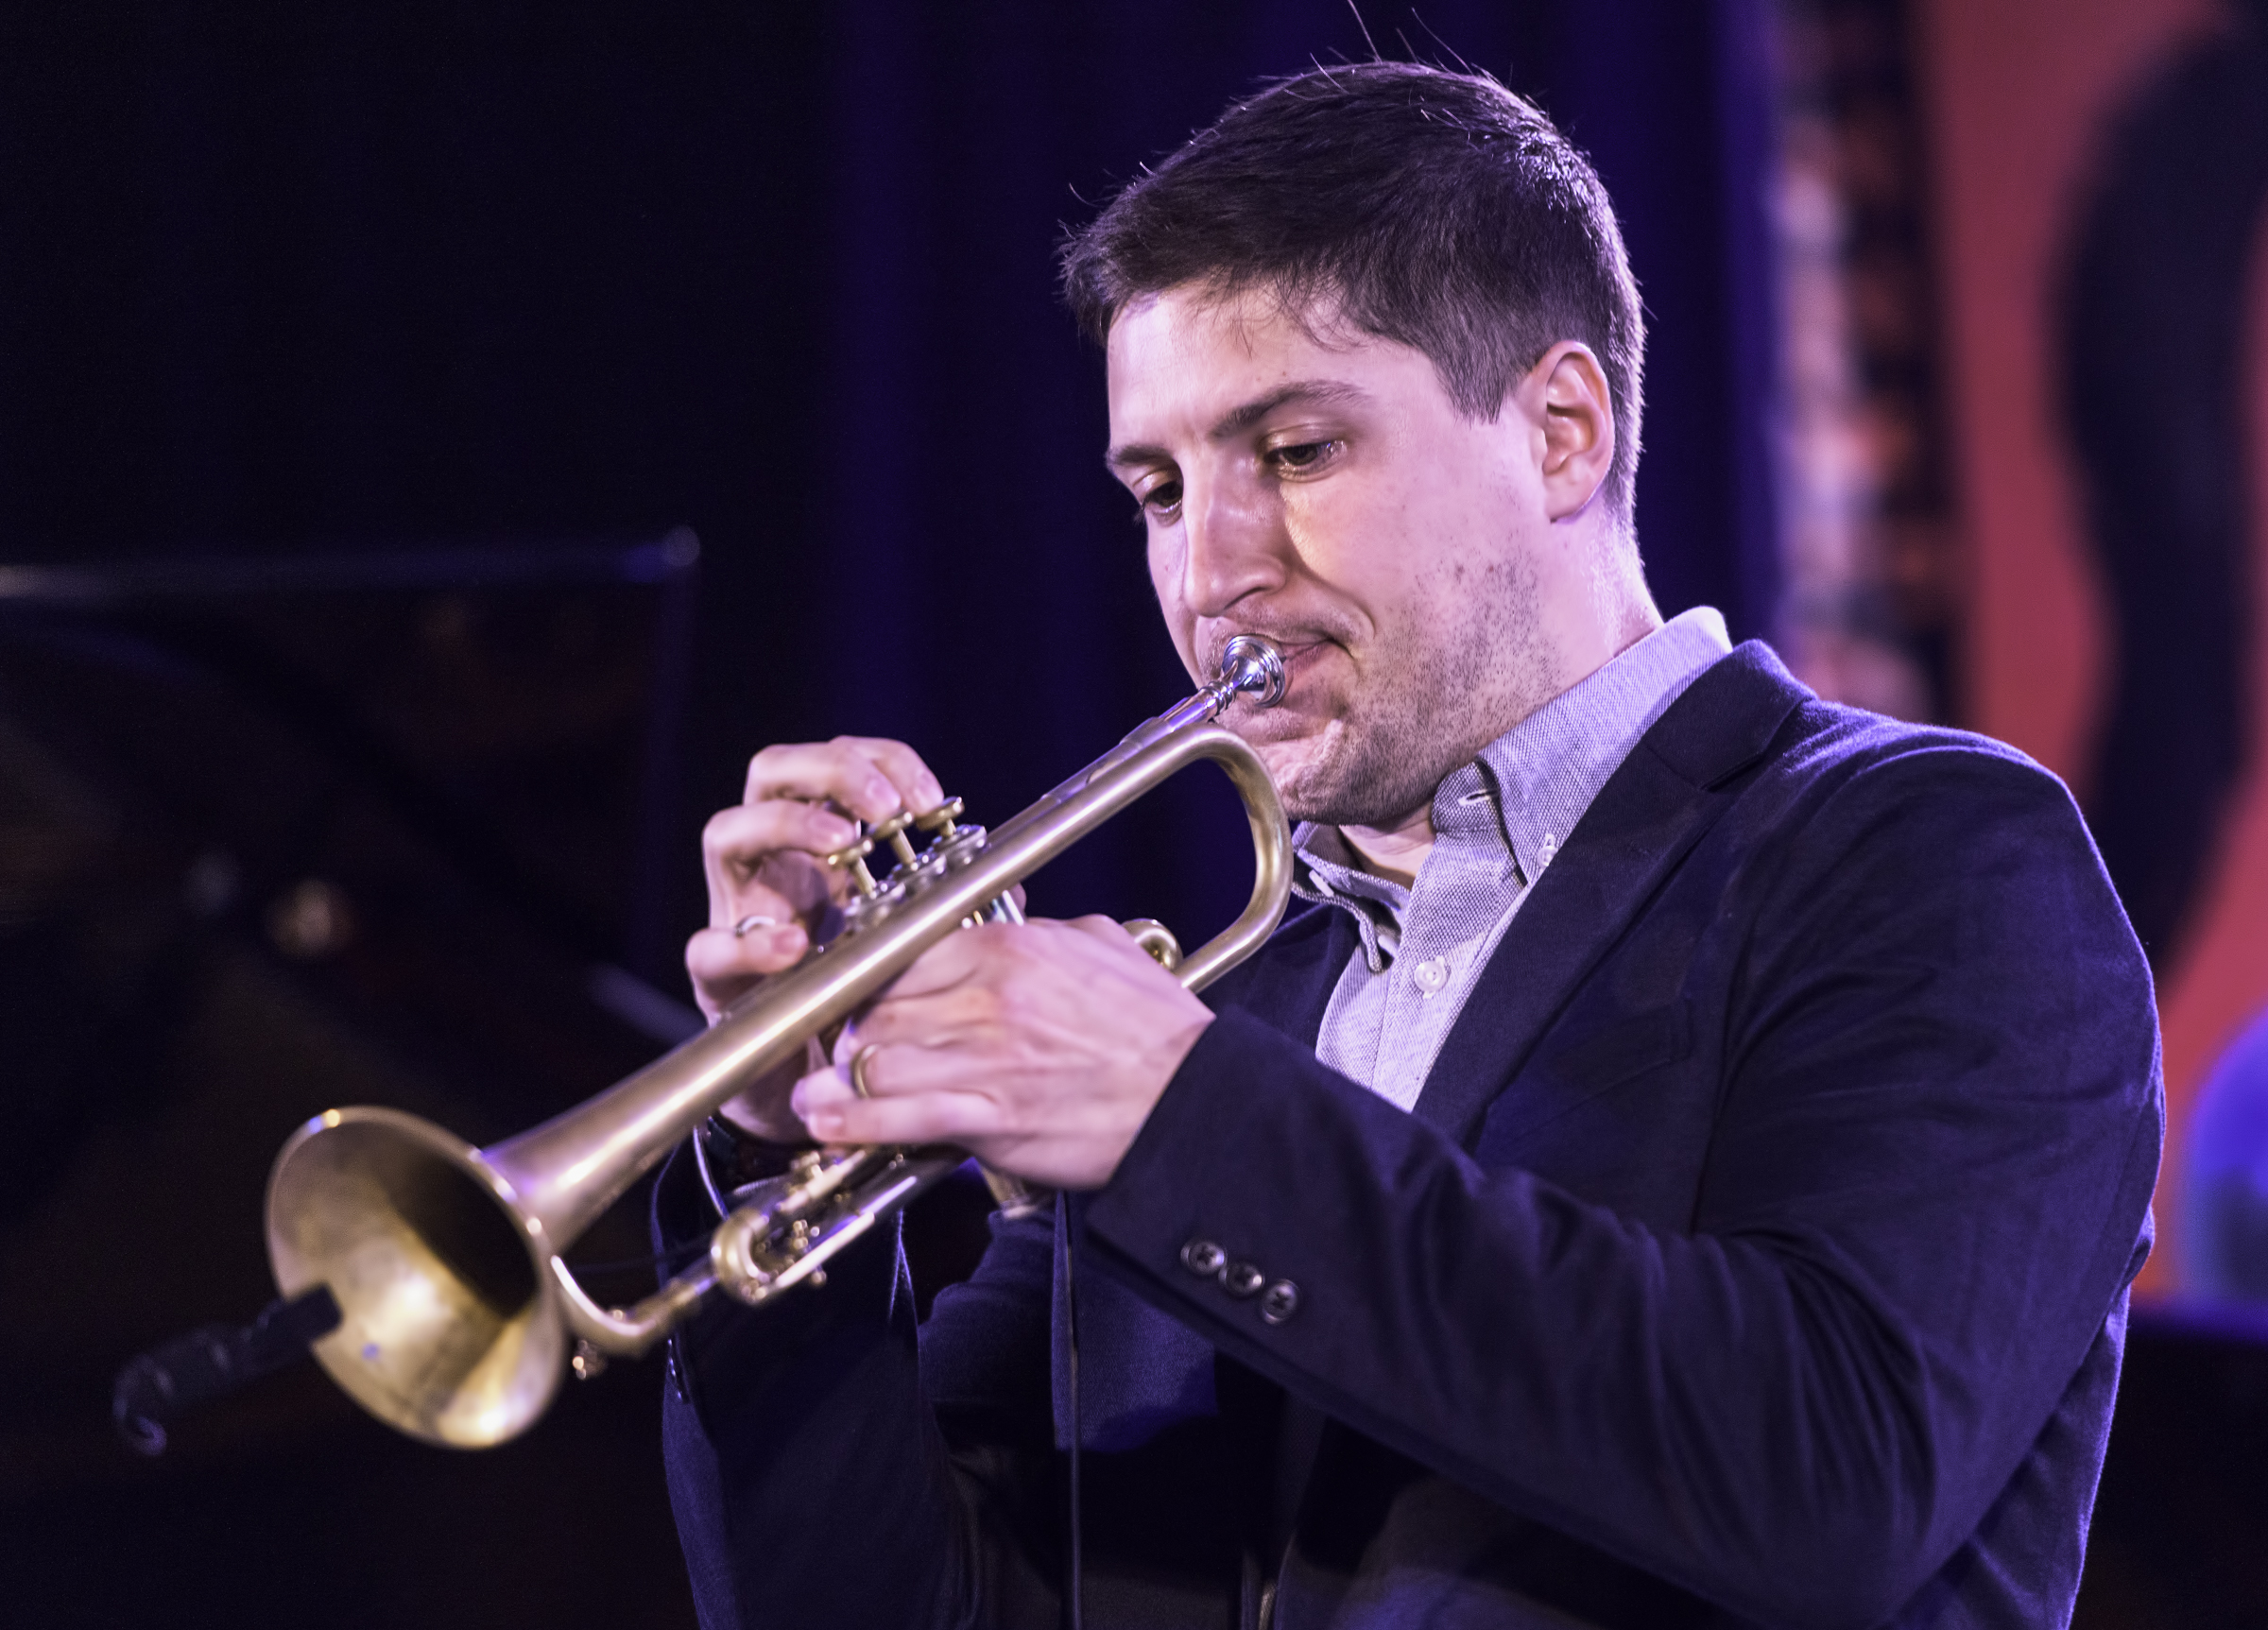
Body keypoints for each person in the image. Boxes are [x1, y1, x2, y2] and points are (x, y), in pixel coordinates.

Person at [660, 61, 2161, 1630]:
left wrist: (1176, 1115)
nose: (1209, 571)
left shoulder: (1926, 856)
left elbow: (1835, 1470)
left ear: (1563, 431)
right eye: (1159, 490)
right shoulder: (1230, 1004)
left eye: (1296, 453)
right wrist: (780, 1153)